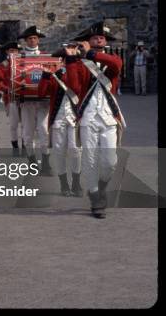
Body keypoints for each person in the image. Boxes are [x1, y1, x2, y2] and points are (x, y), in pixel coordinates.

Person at [67, 21, 124, 219]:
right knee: (90, 161)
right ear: (87, 40)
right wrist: (71, 60)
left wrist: (90, 53)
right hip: (88, 117)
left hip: (108, 117)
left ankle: (101, 187)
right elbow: (74, 87)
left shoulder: (112, 58)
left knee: (110, 162)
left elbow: (116, 66)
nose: (99, 38)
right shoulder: (80, 63)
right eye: (95, 37)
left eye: (102, 37)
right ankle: (94, 196)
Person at [38, 44, 83, 197]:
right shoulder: (55, 75)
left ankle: (76, 183)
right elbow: (41, 93)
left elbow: (76, 88)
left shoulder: (80, 72)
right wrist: (45, 76)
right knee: (59, 152)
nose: (66, 62)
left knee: (76, 150)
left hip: (75, 118)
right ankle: (64, 184)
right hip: (58, 118)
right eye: (65, 59)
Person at [17, 26, 52, 175]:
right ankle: (31, 162)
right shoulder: (18, 58)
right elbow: (12, 77)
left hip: (42, 99)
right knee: (27, 132)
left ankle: (46, 163)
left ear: (38, 40)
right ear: (26, 40)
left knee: (44, 130)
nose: (33, 40)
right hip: (27, 100)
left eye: (35, 38)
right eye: (30, 38)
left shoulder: (46, 56)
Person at [0, 41, 23, 154]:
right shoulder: (2, 65)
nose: (13, 53)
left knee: (25, 123)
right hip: (11, 97)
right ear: (7, 52)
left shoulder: (23, 63)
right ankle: (15, 147)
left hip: (24, 97)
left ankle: (25, 146)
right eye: (11, 51)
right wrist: (8, 90)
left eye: (15, 51)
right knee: (13, 124)